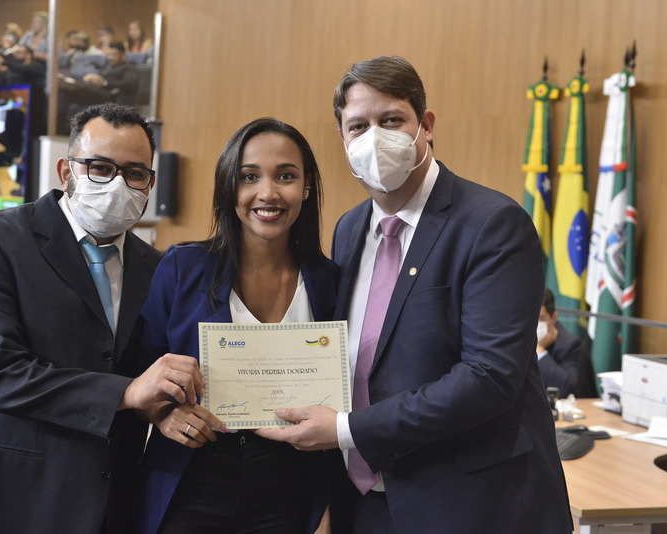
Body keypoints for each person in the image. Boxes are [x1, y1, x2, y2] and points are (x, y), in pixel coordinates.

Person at [257, 56, 572, 533]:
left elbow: (489, 378)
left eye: (391, 120)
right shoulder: (349, 229)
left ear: (425, 125)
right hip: (364, 503)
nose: (374, 138)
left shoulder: (492, 224)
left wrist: (344, 429)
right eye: (358, 126)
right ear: (342, 138)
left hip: (468, 506)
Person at [0, 103, 203, 533]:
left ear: (150, 183)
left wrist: (160, 409)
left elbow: (149, 373)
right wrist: (128, 392)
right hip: (7, 500)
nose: (117, 184)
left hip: (110, 505)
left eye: (134, 173)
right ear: (66, 171)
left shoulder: (158, 268)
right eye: (100, 167)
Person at [135, 118, 337, 534]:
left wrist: (328, 509)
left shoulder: (330, 282)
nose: (268, 193)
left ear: (307, 187)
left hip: (291, 484)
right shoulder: (182, 267)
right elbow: (138, 375)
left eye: (286, 176)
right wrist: (162, 414)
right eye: (249, 177)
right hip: (193, 477)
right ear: (230, 187)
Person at [537, 288, 582, 397]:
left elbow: (568, 389)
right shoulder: (516, 339)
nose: (535, 323)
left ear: (553, 318)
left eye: (540, 318)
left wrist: (539, 351)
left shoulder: (569, 344)